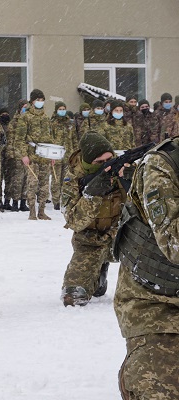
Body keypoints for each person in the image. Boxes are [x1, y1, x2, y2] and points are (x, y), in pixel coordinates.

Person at [113, 135, 179, 399]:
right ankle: (136, 370)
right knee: (161, 389)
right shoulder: (161, 165)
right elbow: (174, 244)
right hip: (156, 302)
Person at [60, 132, 126, 306]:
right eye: (99, 162)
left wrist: (128, 178)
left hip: (124, 236)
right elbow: (74, 221)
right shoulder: (73, 179)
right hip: (91, 241)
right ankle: (99, 271)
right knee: (73, 297)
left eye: (109, 159)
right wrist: (93, 194)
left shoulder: (122, 168)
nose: (106, 165)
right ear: (88, 163)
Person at [15, 89, 55, 220]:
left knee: (44, 185)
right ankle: (32, 211)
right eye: (38, 100)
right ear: (32, 101)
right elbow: (19, 139)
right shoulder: (25, 117)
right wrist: (23, 155)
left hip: (44, 156)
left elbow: (50, 138)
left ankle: (42, 210)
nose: (40, 102)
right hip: (32, 155)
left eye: (42, 100)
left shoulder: (45, 117)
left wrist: (52, 155)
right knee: (32, 183)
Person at [50, 101, 78, 210]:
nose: (62, 111)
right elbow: (49, 139)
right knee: (56, 179)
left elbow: (74, 139)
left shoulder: (70, 124)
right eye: (60, 109)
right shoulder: (52, 123)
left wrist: (75, 153)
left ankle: (64, 199)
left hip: (68, 154)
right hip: (56, 155)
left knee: (66, 179)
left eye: (63, 109)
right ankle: (56, 200)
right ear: (56, 110)